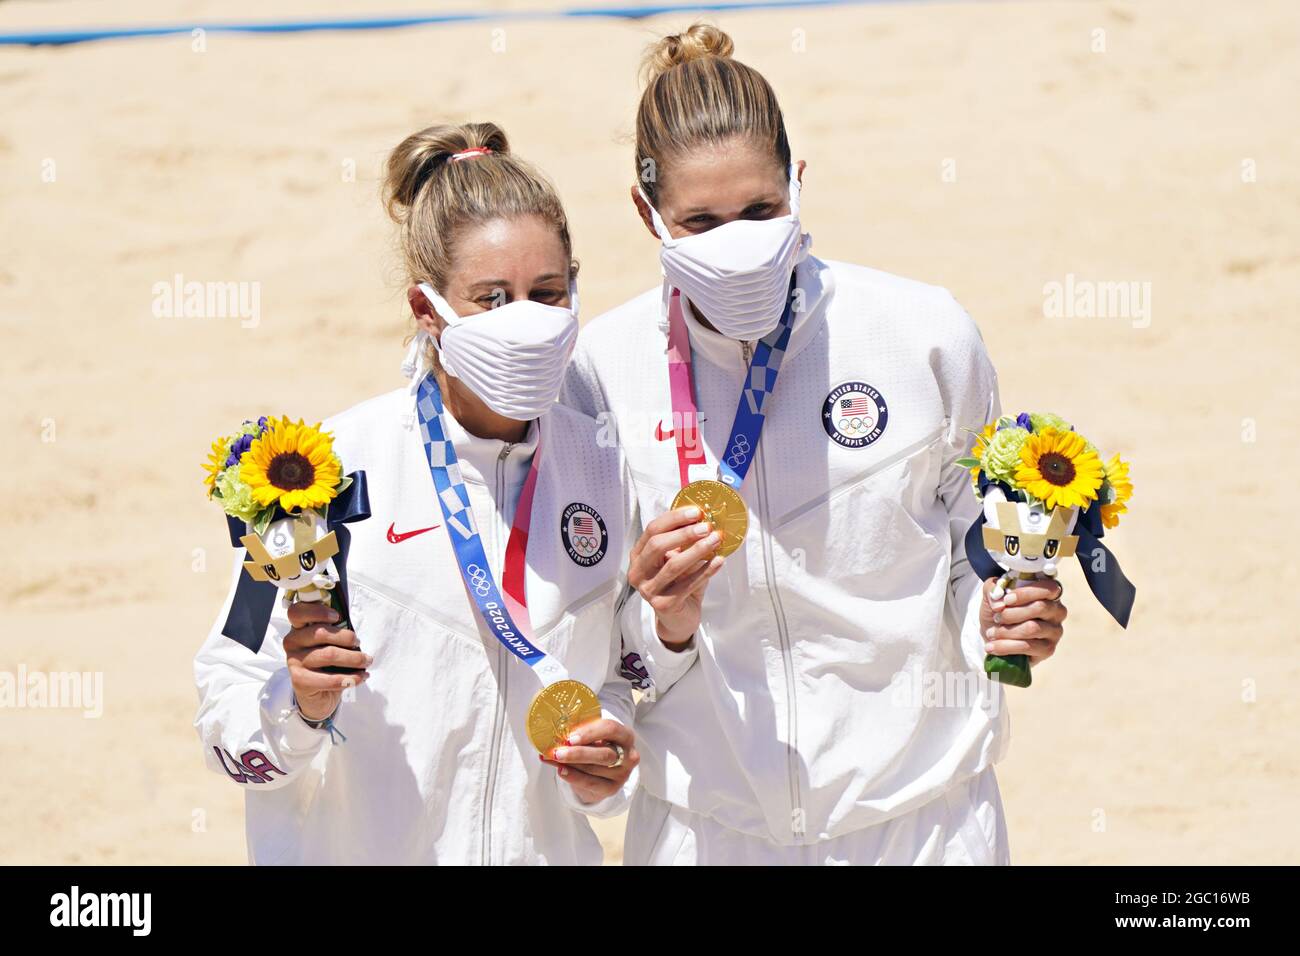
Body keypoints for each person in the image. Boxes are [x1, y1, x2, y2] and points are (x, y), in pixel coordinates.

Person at [560, 24, 1068, 865]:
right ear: (645, 214)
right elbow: (591, 626)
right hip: (705, 831)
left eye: (761, 211)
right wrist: (664, 623)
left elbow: (972, 545)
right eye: (701, 220)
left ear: (799, 181)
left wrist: (1000, 622)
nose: (738, 242)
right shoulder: (598, 375)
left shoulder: (921, 334)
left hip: (921, 819)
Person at [195, 122, 639, 865]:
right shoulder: (318, 474)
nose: (523, 321)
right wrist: (296, 709)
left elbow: (626, 680)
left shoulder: (607, 469)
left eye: (547, 293)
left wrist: (603, 768)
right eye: (491, 299)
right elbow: (224, 717)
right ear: (428, 308)